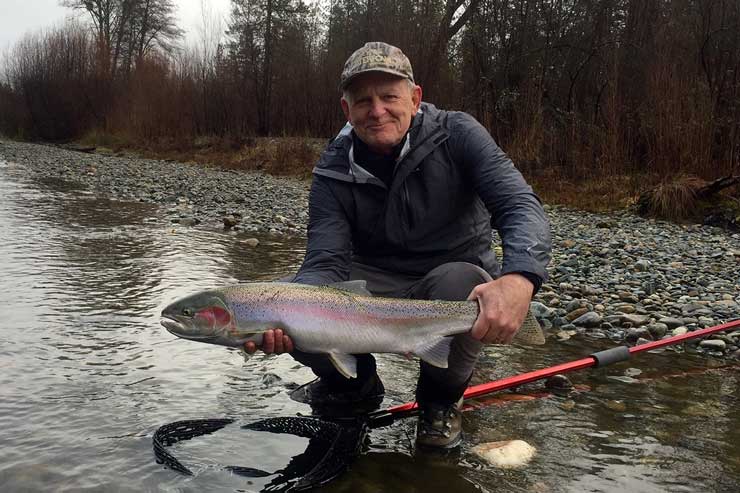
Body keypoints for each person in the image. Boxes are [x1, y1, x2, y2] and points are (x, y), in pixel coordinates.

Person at [245, 41, 551, 449]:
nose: (377, 110)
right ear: (346, 109)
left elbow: (518, 204)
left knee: (461, 283)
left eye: (389, 96)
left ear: (415, 97)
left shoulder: (459, 134)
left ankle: (440, 404)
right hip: (373, 284)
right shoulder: (333, 168)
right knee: (288, 298)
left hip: (453, 278)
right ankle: (355, 386)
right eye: (363, 101)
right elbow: (325, 260)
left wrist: (519, 278)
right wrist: (283, 311)